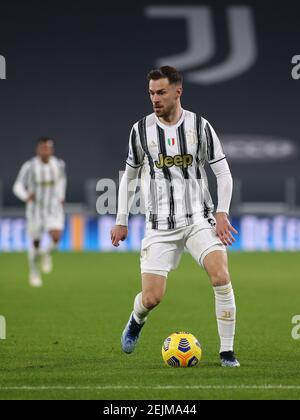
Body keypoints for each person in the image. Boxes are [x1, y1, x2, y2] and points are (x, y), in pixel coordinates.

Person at [111, 66, 240, 367]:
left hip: (199, 219)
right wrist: (121, 219)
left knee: (221, 276)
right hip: (160, 226)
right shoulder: (140, 130)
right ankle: (136, 319)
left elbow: (222, 172)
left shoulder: (200, 126)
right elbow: (129, 178)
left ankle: (227, 352)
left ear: (178, 91)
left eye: (161, 92)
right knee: (152, 297)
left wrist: (221, 212)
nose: (155, 99)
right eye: (151, 93)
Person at [13, 137, 66, 287]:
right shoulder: (29, 167)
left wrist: (61, 196)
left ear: (52, 150)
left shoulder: (58, 165)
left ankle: (47, 253)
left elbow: (62, 181)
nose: (45, 151)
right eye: (43, 148)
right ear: (38, 150)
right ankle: (34, 272)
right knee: (35, 244)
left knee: (56, 237)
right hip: (35, 211)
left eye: (48, 148)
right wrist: (25, 195)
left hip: (53, 209)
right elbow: (17, 185)